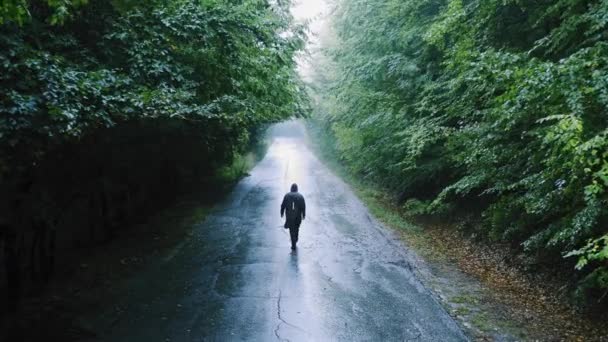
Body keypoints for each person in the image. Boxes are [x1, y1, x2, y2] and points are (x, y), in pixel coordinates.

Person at [280, 183, 306, 250]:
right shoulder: (300, 196)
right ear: (297, 189)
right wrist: (304, 214)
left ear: (291, 189)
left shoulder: (287, 195)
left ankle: (293, 243)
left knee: (291, 229)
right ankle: (296, 239)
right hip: (298, 216)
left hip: (289, 216)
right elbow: (303, 206)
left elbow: (283, 205)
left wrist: (282, 212)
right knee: (297, 228)